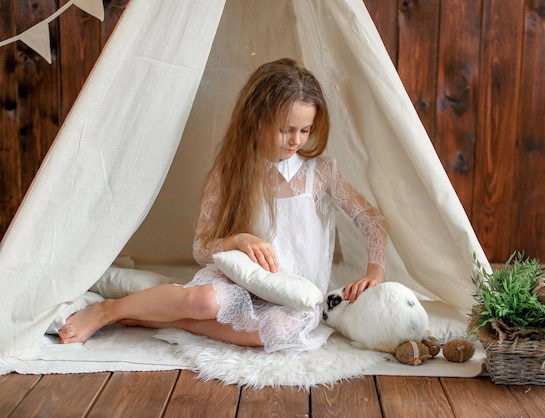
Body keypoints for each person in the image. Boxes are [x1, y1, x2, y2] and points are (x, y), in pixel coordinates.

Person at [59, 58, 387, 352]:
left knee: (283, 331)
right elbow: (202, 249)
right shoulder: (230, 173)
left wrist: (375, 269)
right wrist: (238, 240)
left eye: (305, 130)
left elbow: (373, 221)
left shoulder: (322, 173)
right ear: (257, 120)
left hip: (293, 293)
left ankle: (167, 320)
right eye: (285, 130)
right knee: (203, 301)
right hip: (243, 280)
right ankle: (109, 309)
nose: (296, 140)